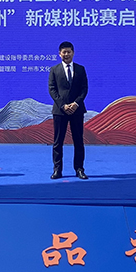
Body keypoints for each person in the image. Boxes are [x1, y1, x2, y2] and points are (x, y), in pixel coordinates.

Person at [48, 41, 88, 180]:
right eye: (64, 52)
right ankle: (57, 170)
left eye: (69, 52)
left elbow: (84, 89)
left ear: (73, 53)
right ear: (59, 54)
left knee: (78, 141)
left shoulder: (80, 69)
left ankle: (79, 169)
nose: (66, 54)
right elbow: (52, 90)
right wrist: (63, 105)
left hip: (77, 110)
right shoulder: (54, 70)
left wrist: (76, 103)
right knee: (58, 142)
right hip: (60, 111)